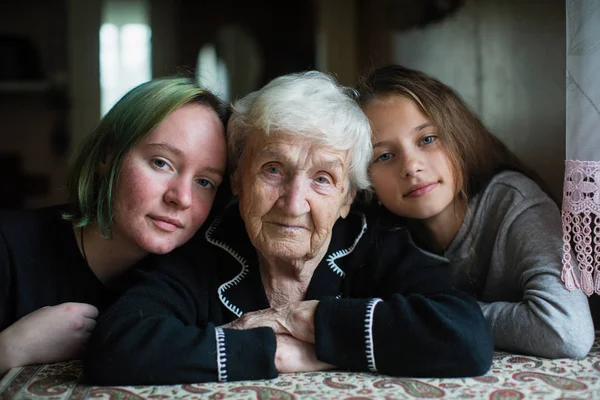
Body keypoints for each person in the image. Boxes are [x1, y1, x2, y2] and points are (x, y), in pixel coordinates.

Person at [83, 71, 493, 385]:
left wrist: (305, 322)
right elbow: (117, 345)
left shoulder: (374, 244)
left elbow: (465, 336)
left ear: (347, 198)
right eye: (273, 170)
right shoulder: (207, 245)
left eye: (323, 179)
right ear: (239, 180)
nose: (294, 203)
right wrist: (274, 354)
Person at [356, 64, 595, 359]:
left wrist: (439, 316)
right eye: (385, 156)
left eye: (427, 139)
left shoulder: (513, 204)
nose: (411, 167)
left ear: (457, 135)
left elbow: (567, 332)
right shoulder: (371, 233)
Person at [0, 77, 229, 375]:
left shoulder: (203, 278)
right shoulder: (7, 246)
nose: (182, 198)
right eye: (161, 163)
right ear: (108, 155)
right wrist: (12, 347)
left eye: (204, 182)